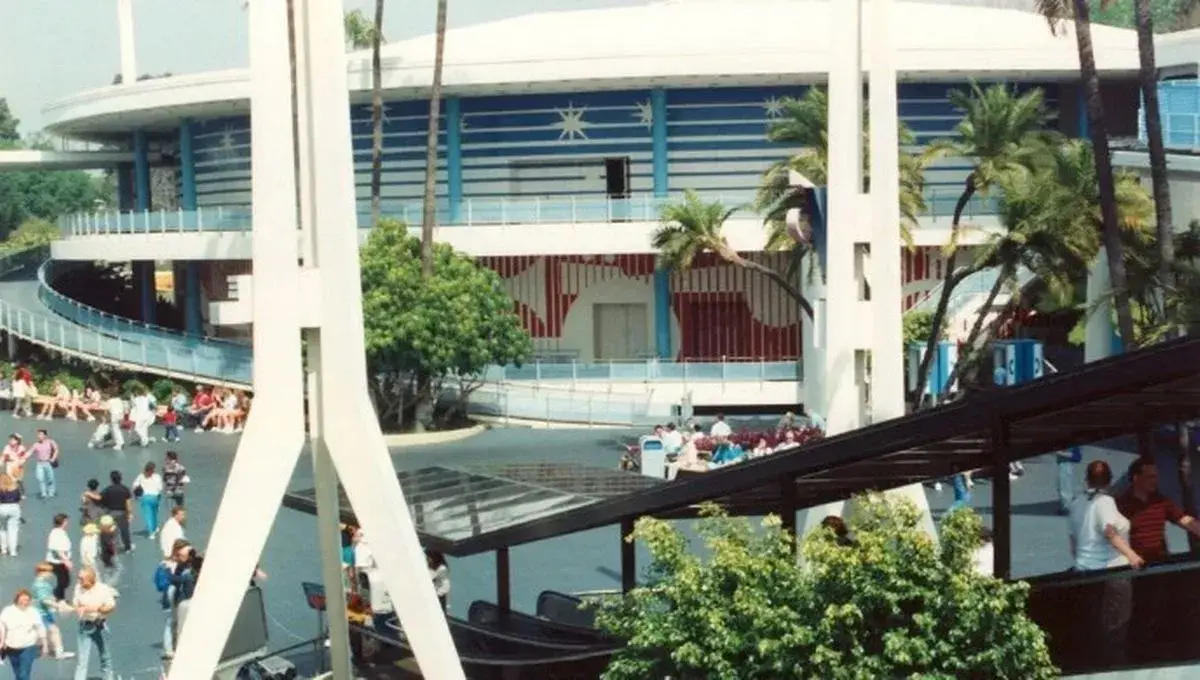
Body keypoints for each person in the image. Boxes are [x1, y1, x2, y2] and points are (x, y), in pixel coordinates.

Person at [1069, 460, 1142, 667]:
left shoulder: (1076, 503)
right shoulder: (1104, 502)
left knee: (1093, 627)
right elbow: (1109, 531)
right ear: (1109, 480)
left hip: (1084, 571)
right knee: (1117, 626)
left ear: (1086, 480)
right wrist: (1132, 555)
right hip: (1111, 571)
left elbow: (1073, 540)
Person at [1116, 457, 1200, 564]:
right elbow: (1113, 535)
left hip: (1160, 562)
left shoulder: (1160, 501)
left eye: (1156, 477)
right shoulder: (1121, 505)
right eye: (1150, 477)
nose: (1155, 481)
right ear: (1136, 478)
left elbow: (1184, 520)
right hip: (1134, 564)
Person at [72, 567, 117, 680]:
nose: (79, 581)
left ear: (90, 579)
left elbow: (111, 606)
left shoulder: (103, 589)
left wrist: (96, 609)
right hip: (84, 626)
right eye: (78, 578)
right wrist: (78, 608)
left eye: (81, 579)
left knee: (105, 656)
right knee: (82, 661)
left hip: (99, 625)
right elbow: (76, 603)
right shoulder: (78, 588)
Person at [0, 589, 49, 680]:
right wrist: (2, 641)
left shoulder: (33, 612)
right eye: (22, 600)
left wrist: (45, 645)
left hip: (28, 647)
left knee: (24, 674)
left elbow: (40, 627)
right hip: (11, 647)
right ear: (17, 600)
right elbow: (2, 626)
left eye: (27, 600)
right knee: (17, 673)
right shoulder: (8, 611)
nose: (25, 602)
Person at [31, 562, 74, 660]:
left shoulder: (41, 583)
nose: (51, 574)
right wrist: (57, 606)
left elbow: (47, 597)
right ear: (42, 572)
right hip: (42, 613)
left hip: (42, 612)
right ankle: (59, 652)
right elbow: (44, 600)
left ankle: (51, 649)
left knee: (48, 632)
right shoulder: (40, 585)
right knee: (54, 631)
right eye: (49, 572)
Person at [99, 472, 133, 553]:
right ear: (121, 478)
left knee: (111, 531)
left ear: (111, 479)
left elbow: (100, 499)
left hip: (111, 513)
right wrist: (129, 514)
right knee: (124, 531)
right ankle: (127, 547)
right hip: (122, 513)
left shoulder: (107, 489)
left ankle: (111, 547)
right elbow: (128, 504)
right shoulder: (125, 489)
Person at [45, 513, 73, 601]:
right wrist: (66, 561)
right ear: (63, 522)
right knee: (63, 581)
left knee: (64, 581)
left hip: (60, 561)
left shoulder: (59, 532)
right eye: (66, 521)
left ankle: (58, 597)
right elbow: (58, 550)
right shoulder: (57, 533)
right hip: (57, 562)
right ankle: (59, 598)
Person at [132, 462, 163, 539]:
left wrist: (137, 494)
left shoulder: (141, 476)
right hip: (155, 497)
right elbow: (160, 488)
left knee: (148, 515)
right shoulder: (157, 476)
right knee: (154, 513)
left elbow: (134, 486)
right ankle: (155, 527)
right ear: (153, 469)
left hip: (145, 498)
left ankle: (151, 533)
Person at [30, 429, 59, 500]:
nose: (39, 436)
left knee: (50, 479)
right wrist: (22, 458)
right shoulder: (36, 444)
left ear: (45, 435)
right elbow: (29, 452)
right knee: (40, 478)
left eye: (41, 434)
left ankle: (51, 493)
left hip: (48, 462)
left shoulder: (50, 442)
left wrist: (53, 458)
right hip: (39, 463)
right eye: (38, 435)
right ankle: (43, 494)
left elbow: (56, 449)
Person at [0, 474, 23, 557]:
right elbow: (19, 499)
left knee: (2, 529)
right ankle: (13, 551)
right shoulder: (15, 488)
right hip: (14, 507)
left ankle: (3, 549)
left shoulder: (1, 489)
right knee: (13, 530)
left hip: (2, 507)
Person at [1057, 445, 1083, 515]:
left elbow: (1076, 456)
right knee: (1065, 486)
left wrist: (1060, 453)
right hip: (1066, 464)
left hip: (1066, 464)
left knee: (1065, 487)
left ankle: (1067, 508)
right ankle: (1067, 507)